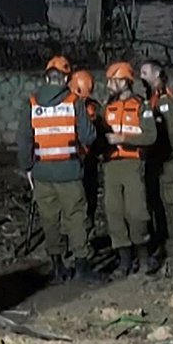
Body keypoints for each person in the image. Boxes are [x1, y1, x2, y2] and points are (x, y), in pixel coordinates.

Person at [17, 55, 101, 284]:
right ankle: (82, 266)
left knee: (49, 220)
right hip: (70, 172)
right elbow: (89, 136)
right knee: (76, 218)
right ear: (66, 78)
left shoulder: (32, 102)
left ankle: (57, 266)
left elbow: (24, 140)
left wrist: (27, 168)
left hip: (42, 174)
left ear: (46, 76)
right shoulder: (74, 101)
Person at [102, 61, 160, 277]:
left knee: (136, 213)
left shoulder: (140, 106)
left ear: (124, 82)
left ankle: (144, 257)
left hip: (133, 164)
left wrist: (124, 138)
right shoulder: (107, 108)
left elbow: (151, 136)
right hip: (111, 166)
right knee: (114, 213)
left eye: (113, 80)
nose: (109, 84)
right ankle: (124, 260)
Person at [141, 59, 173, 272]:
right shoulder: (153, 99)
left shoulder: (165, 99)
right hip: (154, 163)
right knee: (155, 208)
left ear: (157, 74)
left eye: (145, 72)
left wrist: (165, 155)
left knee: (169, 208)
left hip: (165, 163)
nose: (142, 76)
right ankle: (161, 249)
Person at [69, 70, 104, 235]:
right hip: (71, 160)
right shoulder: (64, 106)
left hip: (88, 160)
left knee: (89, 198)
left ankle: (86, 232)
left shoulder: (93, 108)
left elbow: (98, 133)